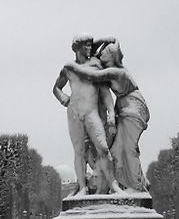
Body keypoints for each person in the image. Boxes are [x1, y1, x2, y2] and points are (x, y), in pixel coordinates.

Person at [62, 38, 150, 192]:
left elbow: (92, 75)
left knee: (129, 148)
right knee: (118, 149)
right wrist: (104, 40)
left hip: (133, 107)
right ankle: (136, 181)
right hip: (123, 106)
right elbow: (87, 55)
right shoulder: (104, 66)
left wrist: (72, 67)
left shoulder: (116, 71)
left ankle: (136, 186)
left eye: (105, 53)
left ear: (112, 56)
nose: (99, 54)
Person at [52, 35, 121, 195]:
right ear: (77, 48)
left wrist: (111, 112)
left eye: (91, 45)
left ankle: (113, 185)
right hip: (74, 113)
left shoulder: (96, 66)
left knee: (103, 148)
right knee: (79, 152)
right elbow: (56, 88)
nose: (89, 49)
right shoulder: (68, 69)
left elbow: (105, 92)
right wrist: (64, 99)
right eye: (86, 46)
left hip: (91, 113)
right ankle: (82, 187)